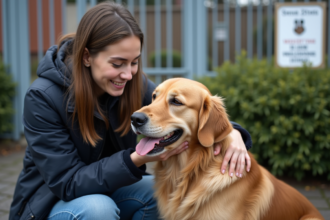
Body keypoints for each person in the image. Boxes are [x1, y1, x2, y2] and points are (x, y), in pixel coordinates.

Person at [9, 2, 252, 220]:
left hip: (107, 189)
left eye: (134, 62)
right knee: (99, 209)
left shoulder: (131, 83)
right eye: (117, 64)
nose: (127, 74)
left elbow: (183, 113)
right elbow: (68, 183)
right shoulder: (42, 97)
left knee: (171, 194)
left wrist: (231, 133)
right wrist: (136, 159)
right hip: (51, 206)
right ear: (86, 57)